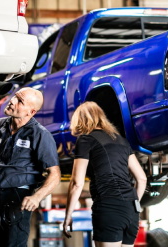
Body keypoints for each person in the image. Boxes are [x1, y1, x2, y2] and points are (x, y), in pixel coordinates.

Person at [0, 87, 61, 247]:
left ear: (30, 112)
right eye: (14, 97)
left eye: (20, 101)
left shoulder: (40, 135)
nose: (11, 101)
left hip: (19, 199)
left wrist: (37, 197)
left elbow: (55, 175)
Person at [63, 101, 147, 247]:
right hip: (131, 211)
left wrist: (68, 216)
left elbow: (77, 183)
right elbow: (142, 178)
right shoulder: (121, 141)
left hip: (109, 208)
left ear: (81, 120)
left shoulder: (86, 140)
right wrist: (133, 205)